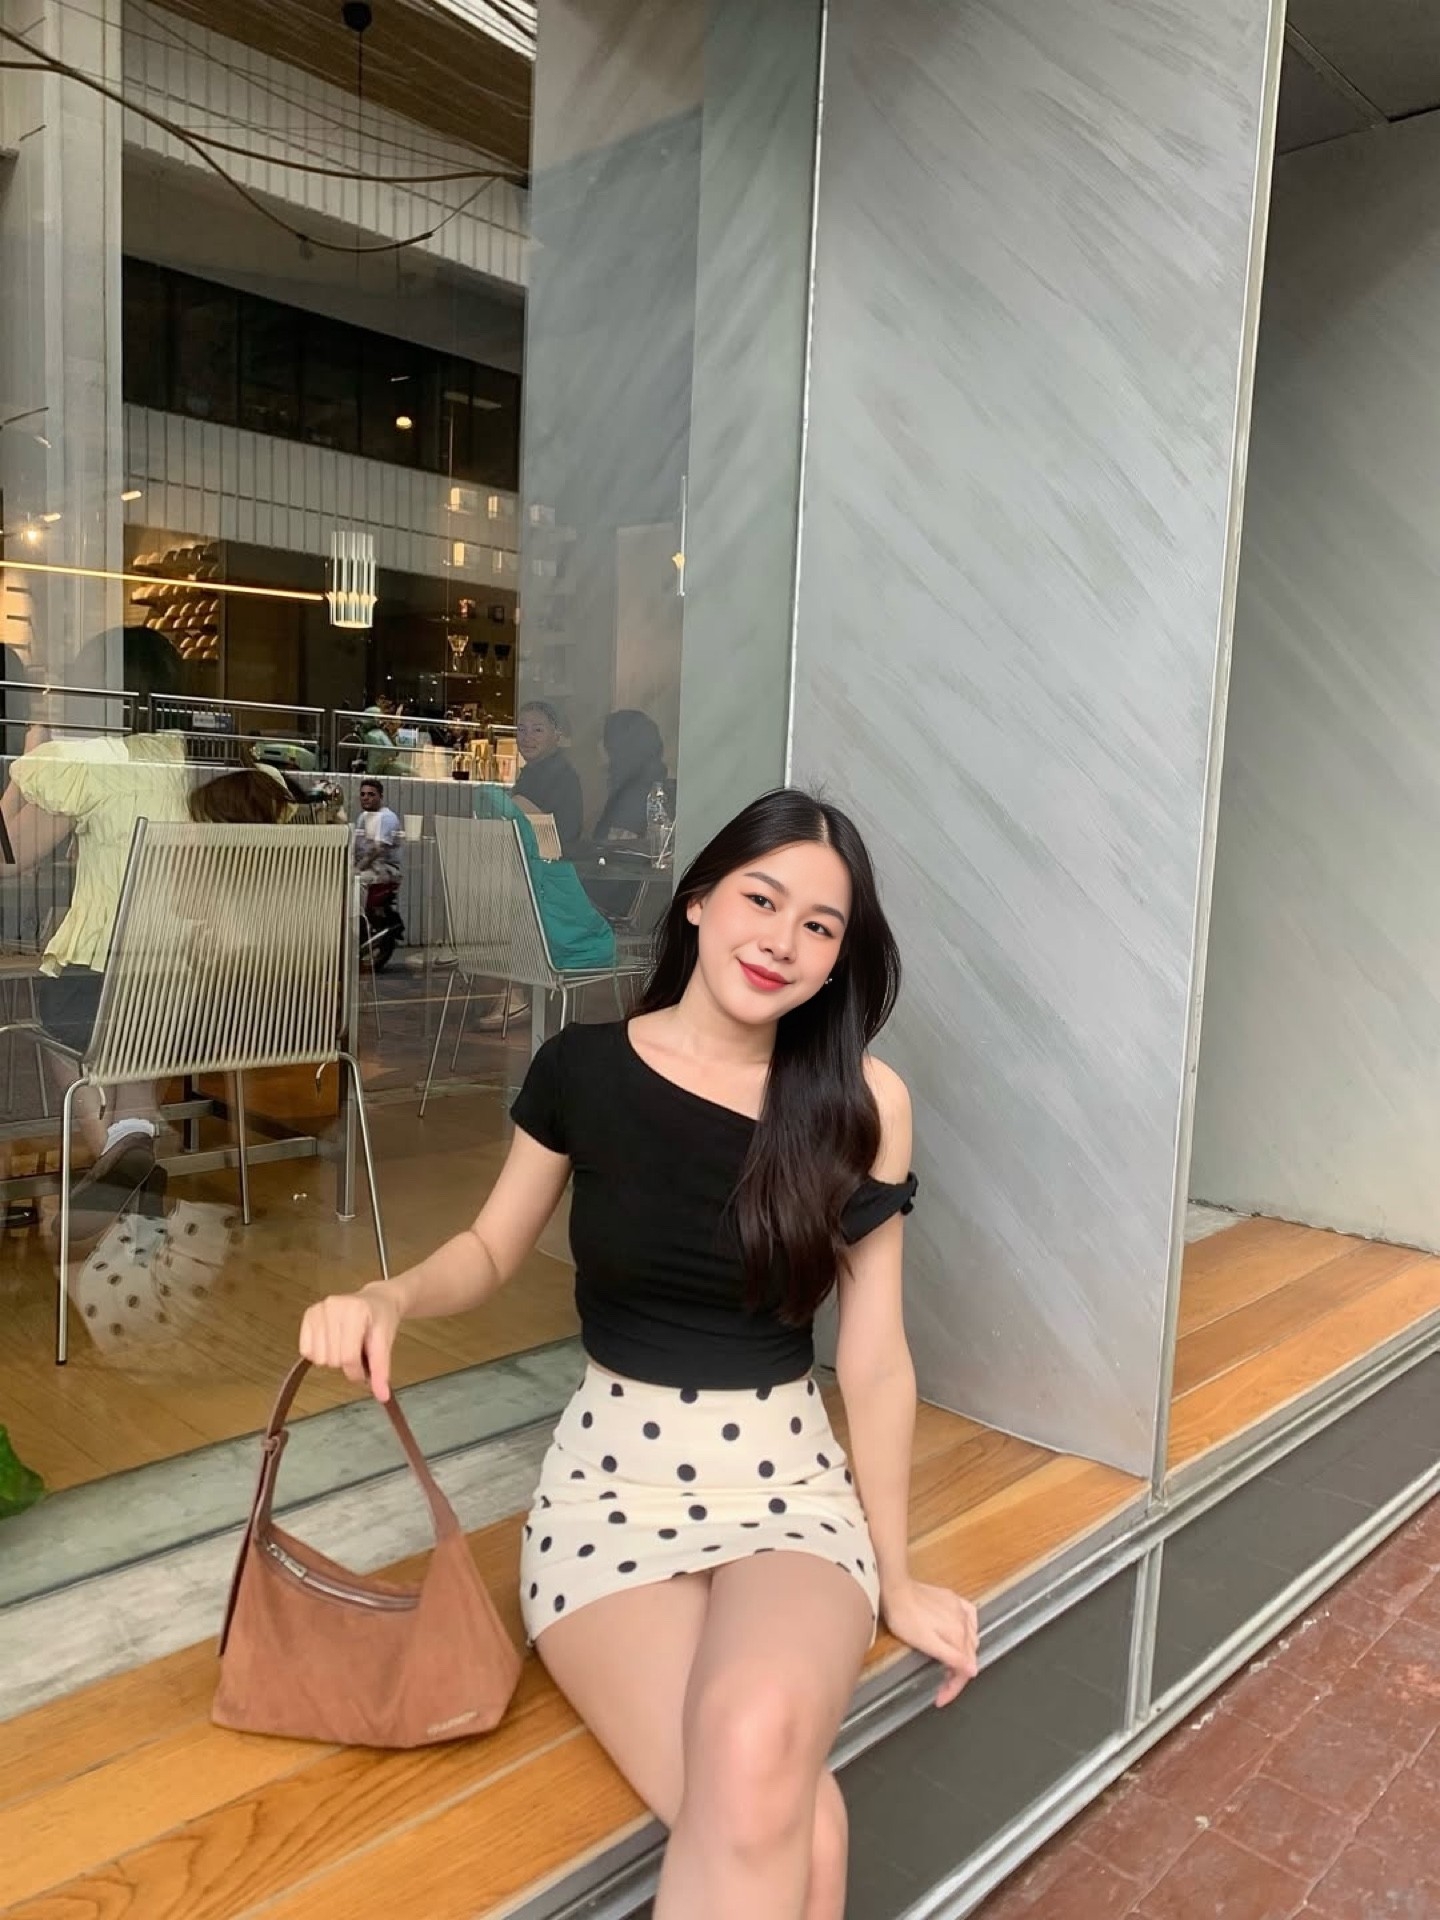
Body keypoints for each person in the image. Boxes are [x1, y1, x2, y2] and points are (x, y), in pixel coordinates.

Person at [298, 787, 979, 1919]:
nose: (783, 939)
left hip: (787, 1493)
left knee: (756, 1740)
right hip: (608, 1497)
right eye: (762, 899)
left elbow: (874, 1361)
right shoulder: (585, 1070)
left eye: (819, 925)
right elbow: (489, 1248)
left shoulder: (861, 1103)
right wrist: (388, 1294)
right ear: (700, 900)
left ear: (837, 959)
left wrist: (898, 1582)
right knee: (801, 1826)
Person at [1, 720, 192, 1240]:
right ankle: (132, 1148)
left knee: (60, 1028)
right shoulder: (182, 764)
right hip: (182, 984)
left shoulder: (93, 768)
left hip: (102, 977)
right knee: (131, 1047)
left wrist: (24, 768)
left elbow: (5, 857)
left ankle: (121, 1165)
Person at [513, 701, 584, 855]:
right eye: (521, 729)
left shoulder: (559, 776)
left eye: (537, 730)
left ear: (556, 735)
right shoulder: (531, 772)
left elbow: (557, 837)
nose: (527, 737)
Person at [592, 708, 669, 846]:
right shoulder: (649, 784)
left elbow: (614, 849)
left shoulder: (634, 794)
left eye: (603, 738)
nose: (598, 745)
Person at [353, 779, 404, 886]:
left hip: (386, 869)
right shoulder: (362, 817)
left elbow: (377, 849)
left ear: (380, 797)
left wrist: (357, 869)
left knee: (356, 881)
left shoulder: (387, 817)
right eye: (362, 794)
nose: (365, 798)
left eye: (371, 794)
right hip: (367, 867)